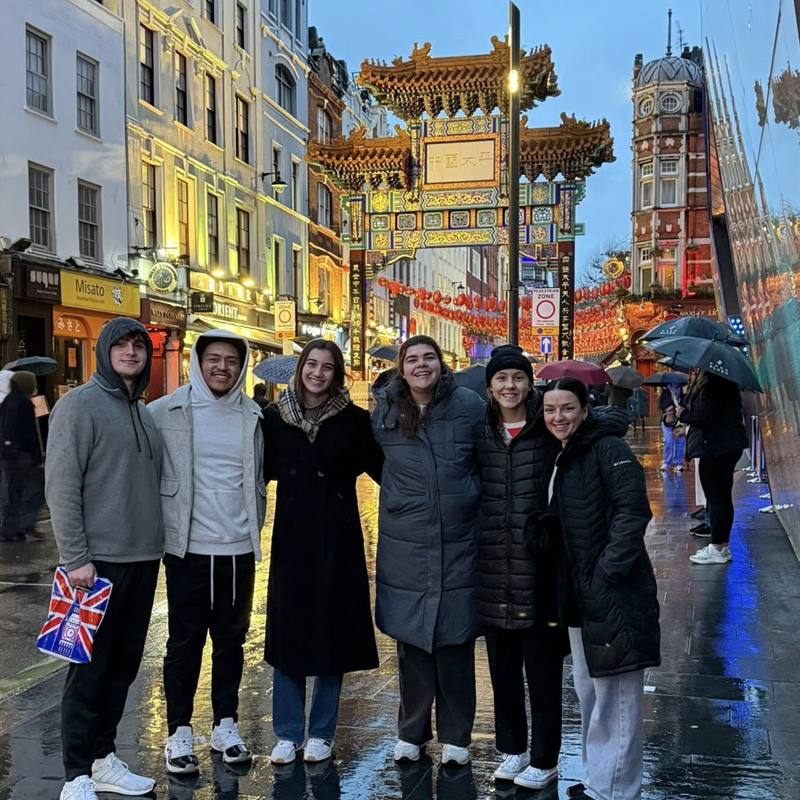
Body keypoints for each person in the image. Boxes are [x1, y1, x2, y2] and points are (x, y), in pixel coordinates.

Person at [46, 318, 163, 800]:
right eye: (121, 345)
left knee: (123, 667)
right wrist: (75, 557)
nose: (132, 352)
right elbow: (61, 486)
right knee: (88, 670)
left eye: (139, 345)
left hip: (142, 558)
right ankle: (75, 774)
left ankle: (102, 760)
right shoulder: (79, 406)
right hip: (96, 565)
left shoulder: (144, 411)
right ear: (104, 351)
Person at [148, 330, 265, 773]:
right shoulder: (164, 411)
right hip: (187, 549)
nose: (222, 367)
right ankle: (179, 732)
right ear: (197, 362)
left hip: (237, 547)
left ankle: (225, 724)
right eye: (213, 358)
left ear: (241, 365)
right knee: (184, 642)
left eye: (231, 360)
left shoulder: (254, 415)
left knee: (231, 642)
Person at [262, 339, 383, 766]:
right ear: (300, 369)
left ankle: (322, 732)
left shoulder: (354, 421)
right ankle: (287, 731)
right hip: (292, 541)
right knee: (288, 635)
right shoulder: (273, 420)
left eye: (327, 367)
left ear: (337, 374)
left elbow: (387, 471)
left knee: (334, 635)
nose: (317, 373)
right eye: (311, 364)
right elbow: (252, 474)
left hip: (339, 538)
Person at [541, 377, 660, 800]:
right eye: (551, 409)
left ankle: (615, 790)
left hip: (613, 592)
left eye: (567, 408)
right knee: (590, 689)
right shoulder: (565, 454)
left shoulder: (609, 448)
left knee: (618, 695)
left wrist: (606, 571)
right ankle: (598, 779)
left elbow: (633, 512)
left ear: (584, 409)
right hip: (579, 594)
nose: (559, 417)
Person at [372, 335, 484, 766]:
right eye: (413, 359)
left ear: (442, 362)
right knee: (412, 641)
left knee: (455, 640)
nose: (422, 365)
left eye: (429, 357)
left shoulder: (470, 406)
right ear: (402, 368)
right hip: (408, 541)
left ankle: (457, 736)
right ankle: (412, 732)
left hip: (458, 537)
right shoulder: (383, 412)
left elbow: (487, 461)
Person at [473, 345, 565, 791]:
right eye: (501, 379)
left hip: (538, 567)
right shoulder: (481, 431)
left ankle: (546, 758)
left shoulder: (546, 427)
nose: (509, 386)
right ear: (490, 387)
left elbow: (587, 427)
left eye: (517, 378)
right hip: (491, 565)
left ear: (529, 383)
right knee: (503, 669)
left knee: (543, 672)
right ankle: (513, 750)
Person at [678, 370, 748, 565]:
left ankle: (718, 547)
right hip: (725, 445)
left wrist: (684, 414)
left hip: (717, 446)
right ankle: (722, 545)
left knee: (716, 497)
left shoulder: (714, 381)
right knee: (723, 497)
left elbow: (706, 414)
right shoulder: (722, 378)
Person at [0, 370, 43, 541]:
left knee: (15, 491)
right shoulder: (22, 403)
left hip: (9, 454)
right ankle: (20, 526)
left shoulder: (8, 401)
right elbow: (29, 435)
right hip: (22, 455)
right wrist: (38, 458)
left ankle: (14, 527)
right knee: (33, 491)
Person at [659, 386, 685, 472]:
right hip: (668, 419)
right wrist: (671, 406)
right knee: (668, 441)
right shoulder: (665, 392)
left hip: (679, 420)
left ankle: (678, 462)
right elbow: (661, 405)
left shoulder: (682, 393)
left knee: (680, 441)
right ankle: (667, 462)